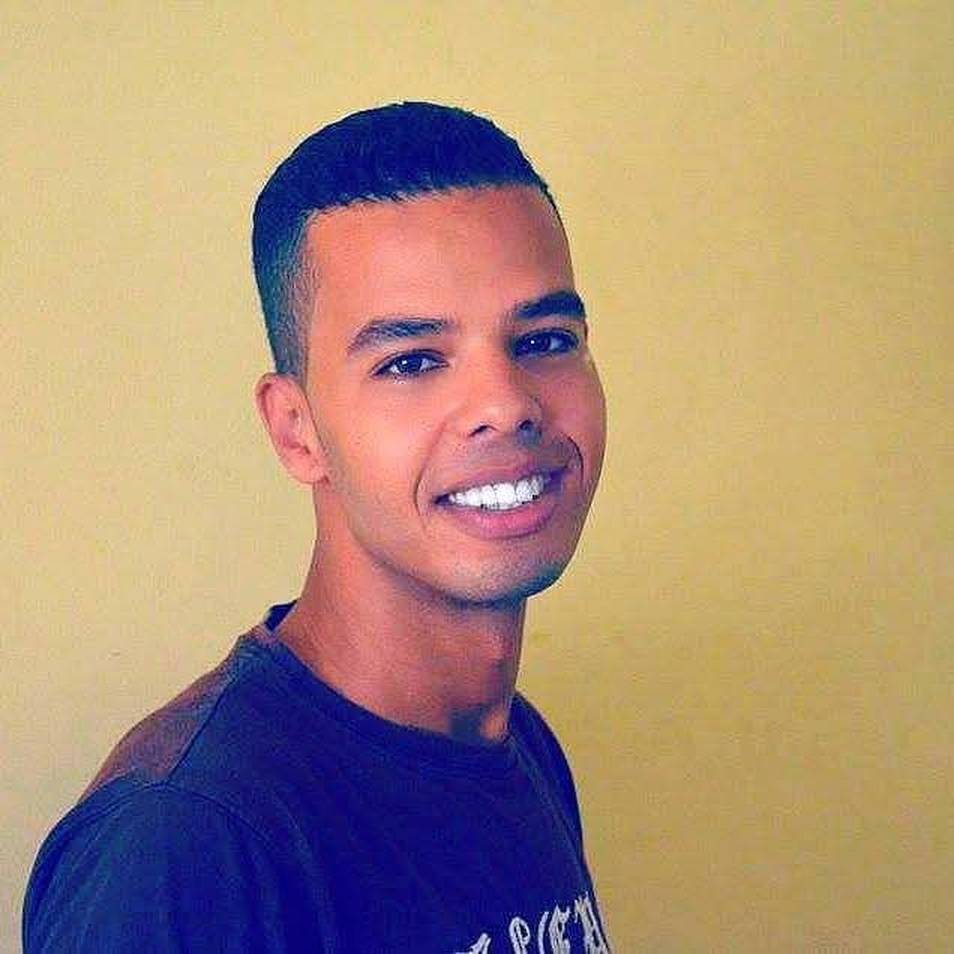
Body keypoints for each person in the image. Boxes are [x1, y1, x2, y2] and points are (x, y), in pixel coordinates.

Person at [23, 101, 611, 953]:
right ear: (297, 430)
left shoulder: (517, 743)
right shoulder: (187, 845)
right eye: (412, 361)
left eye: (545, 340)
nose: (506, 404)